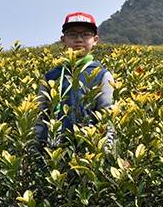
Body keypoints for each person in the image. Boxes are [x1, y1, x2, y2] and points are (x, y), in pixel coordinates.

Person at [35, 11, 115, 149]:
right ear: (63, 39)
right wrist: (34, 150)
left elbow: (107, 117)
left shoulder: (102, 75)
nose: (79, 39)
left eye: (85, 34)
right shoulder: (50, 77)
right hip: (52, 152)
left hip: (89, 152)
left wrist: (105, 153)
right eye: (72, 34)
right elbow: (40, 117)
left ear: (95, 40)